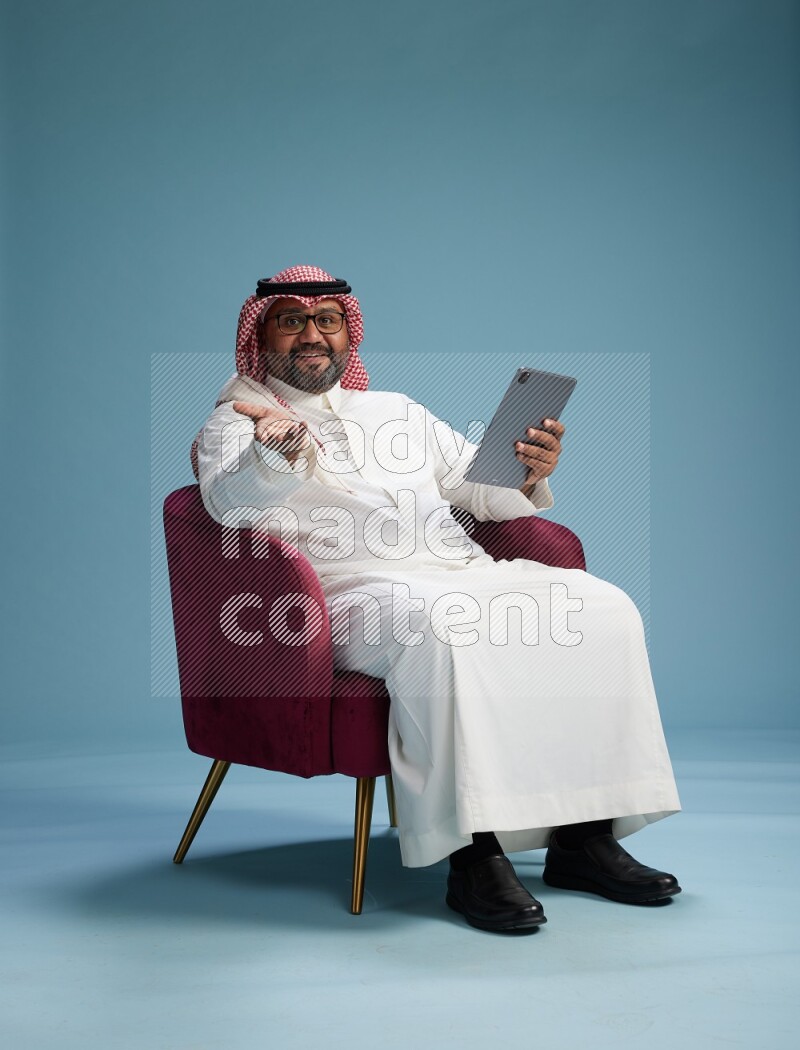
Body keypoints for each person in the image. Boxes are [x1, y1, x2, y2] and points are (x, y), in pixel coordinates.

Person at [194, 264, 682, 933]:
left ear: (347, 333)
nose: (313, 335)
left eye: (326, 320)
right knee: (443, 628)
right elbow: (225, 504)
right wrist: (274, 454)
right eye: (293, 321)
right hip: (343, 595)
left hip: (458, 569)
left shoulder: (397, 410)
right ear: (264, 335)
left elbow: (478, 490)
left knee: (600, 608)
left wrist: (527, 470)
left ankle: (584, 838)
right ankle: (472, 855)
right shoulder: (239, 420)